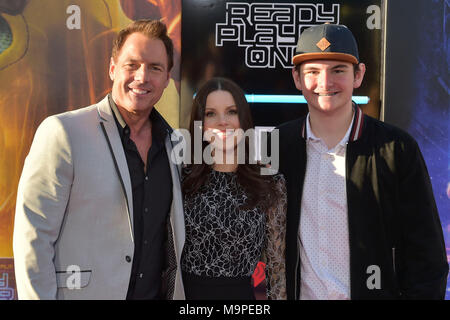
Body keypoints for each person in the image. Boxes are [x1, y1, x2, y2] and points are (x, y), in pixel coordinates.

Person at [13, 19, 185, 300]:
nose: (142, 77)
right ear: (113, 68)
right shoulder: (63, 132)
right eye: (132, 65)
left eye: (155, 68)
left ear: (167, 78)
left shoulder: (175, 144)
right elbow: (33, 237)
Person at [276, 23, 449, 299]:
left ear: (358, 75)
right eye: (312, 71)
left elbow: (427, 257)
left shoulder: (396, 149)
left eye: (338, 70)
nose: (325, 83)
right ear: (297, 78)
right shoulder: (279, 145)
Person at [181, 77, 287, 300]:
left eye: (231, 111)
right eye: (211, 113)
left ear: (243, 119)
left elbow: (277, 267)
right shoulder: (180, 179)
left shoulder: (268, 181)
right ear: (199, 124)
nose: (223, 122)